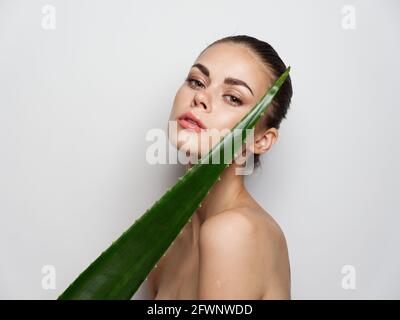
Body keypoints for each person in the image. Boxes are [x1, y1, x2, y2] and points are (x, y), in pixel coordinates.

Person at [147, 35, 293, 300]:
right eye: (196, 81)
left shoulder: (235, 232)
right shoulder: (165, 239)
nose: (200, 97)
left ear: (261, 140)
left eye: (233, 98)